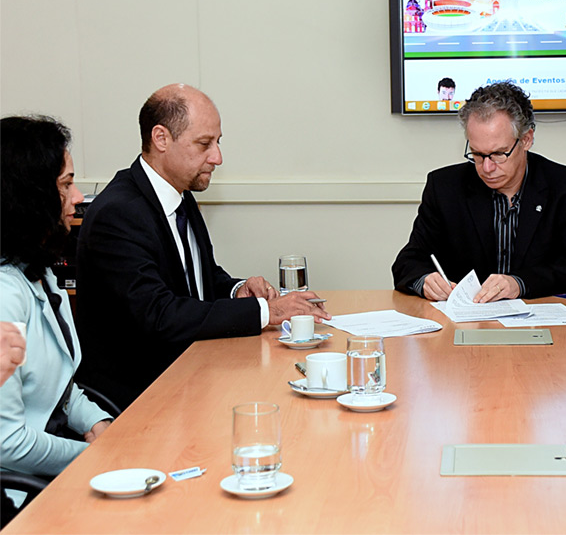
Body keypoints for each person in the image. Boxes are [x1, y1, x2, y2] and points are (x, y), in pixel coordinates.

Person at [75, 84, 327, 409]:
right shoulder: (118, 213)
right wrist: (268, 311)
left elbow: (198, 280)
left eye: (218, 142)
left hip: (190, 375)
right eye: (204, 143)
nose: (217, 157)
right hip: (141, 400)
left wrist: (238, 290)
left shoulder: (180, 192)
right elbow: (159, 314)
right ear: (161, 138)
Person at [392, 81, 566, 302]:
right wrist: (425, 281)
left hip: (538, 323)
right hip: (464, 325)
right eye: (477, 155)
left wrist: (519, 283)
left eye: (499, 154)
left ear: (526, 139)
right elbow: (407, 262)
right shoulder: (444, 187)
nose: (487, 168)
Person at [0, 116, 112, 484]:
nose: (79, 197)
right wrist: (96, 455)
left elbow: (59, 387)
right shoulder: (5, 296)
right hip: (22, 493)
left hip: (53, 466)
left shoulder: (38, 270)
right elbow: (8, 445)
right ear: (30, 198)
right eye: (67, 184)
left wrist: (100, 423)